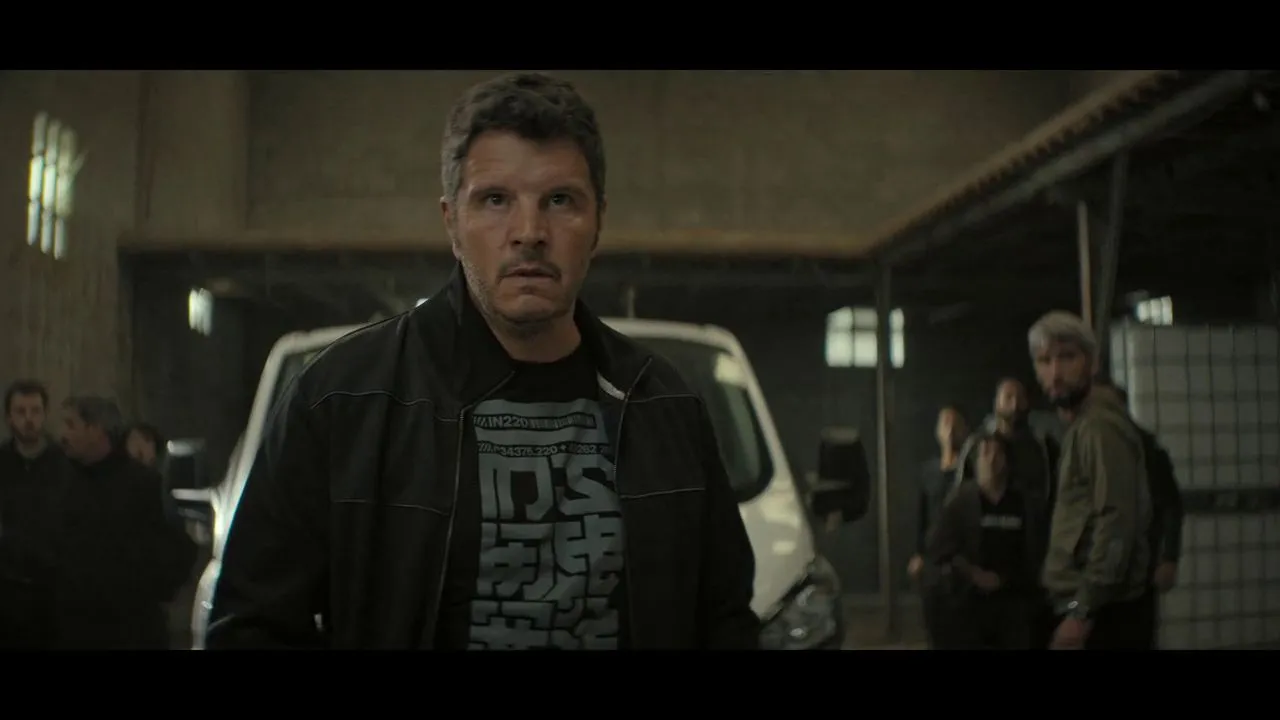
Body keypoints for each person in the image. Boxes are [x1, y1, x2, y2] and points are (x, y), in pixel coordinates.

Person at [206, 72, 759, 650]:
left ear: (598, 222)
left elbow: (724, 622)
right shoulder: (342, 398)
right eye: (495, 200)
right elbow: (252, 626)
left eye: (560, 201)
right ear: (452, 223)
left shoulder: (662, 403)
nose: (529, 233)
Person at [1028, 311, 1153, 650]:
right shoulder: (1079, 425)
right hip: (1085, 605)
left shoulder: (1099, 427)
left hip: (1101, 613)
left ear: (1092, 363)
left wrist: (1083, 611)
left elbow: (1117, 522)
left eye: (1067, 357)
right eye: (1045, 361)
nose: (1055, 373)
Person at [53, 396, 197, 649]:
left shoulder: (143, 485)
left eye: (71, 425)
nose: (62, 435)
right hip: (74, 630)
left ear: (96, 429)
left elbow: (176, 551)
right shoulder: (60, 481)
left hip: (131, 630)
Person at [955, 378, 1058, 648]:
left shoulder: (1042, 446)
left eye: (1020, 397)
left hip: (1030, 556)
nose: (1014, 404)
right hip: (985, 551)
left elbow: (1054, 495)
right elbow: (960, 499)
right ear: (996, 403)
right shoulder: (977, 445)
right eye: (1008, 397)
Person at [925, 433, 1035, 649]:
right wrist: (973, 574)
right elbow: (939, 549)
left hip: (1011, 600)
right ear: (976, 461)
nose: (992, 459)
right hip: (968, 602)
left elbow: (1031, 552)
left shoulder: (1021, 503)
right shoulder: (960, 501)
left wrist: (1004, 579)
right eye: (985, 453)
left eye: (997, 453)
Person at [1105, 382, 1184, 644]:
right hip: (1099, 569)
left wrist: (1169, 557)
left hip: (1139, 568)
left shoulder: (1148, 450)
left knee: (1136, 636)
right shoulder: (1091, 444)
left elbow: (1171, 506)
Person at [0, 379, 69, 648]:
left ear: (45, 414)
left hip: (55, 592)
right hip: (8, 590)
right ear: (9, 417)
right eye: (21, 411)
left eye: (35, 411)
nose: (29, 419)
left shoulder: (65, 463)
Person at [907, 405, 967, 648]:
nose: (950, 429)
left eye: (955, 423)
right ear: (938, 431)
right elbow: (921, 515)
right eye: (945, 423)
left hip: (961, 558)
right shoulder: (928, 471)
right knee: (934, 627)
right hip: (932, 560)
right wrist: (918, 553)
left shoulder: (969, 471)